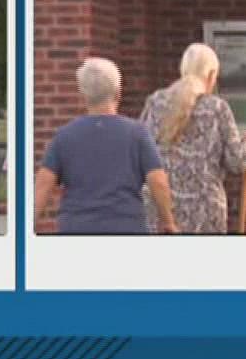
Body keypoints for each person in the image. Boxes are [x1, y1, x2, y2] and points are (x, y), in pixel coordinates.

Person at [36, 58, 177, 234]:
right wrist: (168, 221)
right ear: (118, 93)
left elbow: (43, 184)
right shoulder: (137, 134)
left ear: (84, 96)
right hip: (126, 226)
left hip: (76, 227)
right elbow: (158, 181)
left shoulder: (64, 136)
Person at [139, 43, 246, 233]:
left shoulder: (155, 103)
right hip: (206, 213)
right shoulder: (217, 109)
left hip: (161, 211)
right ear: (212, 75)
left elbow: (141, 154)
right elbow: (237, 162)